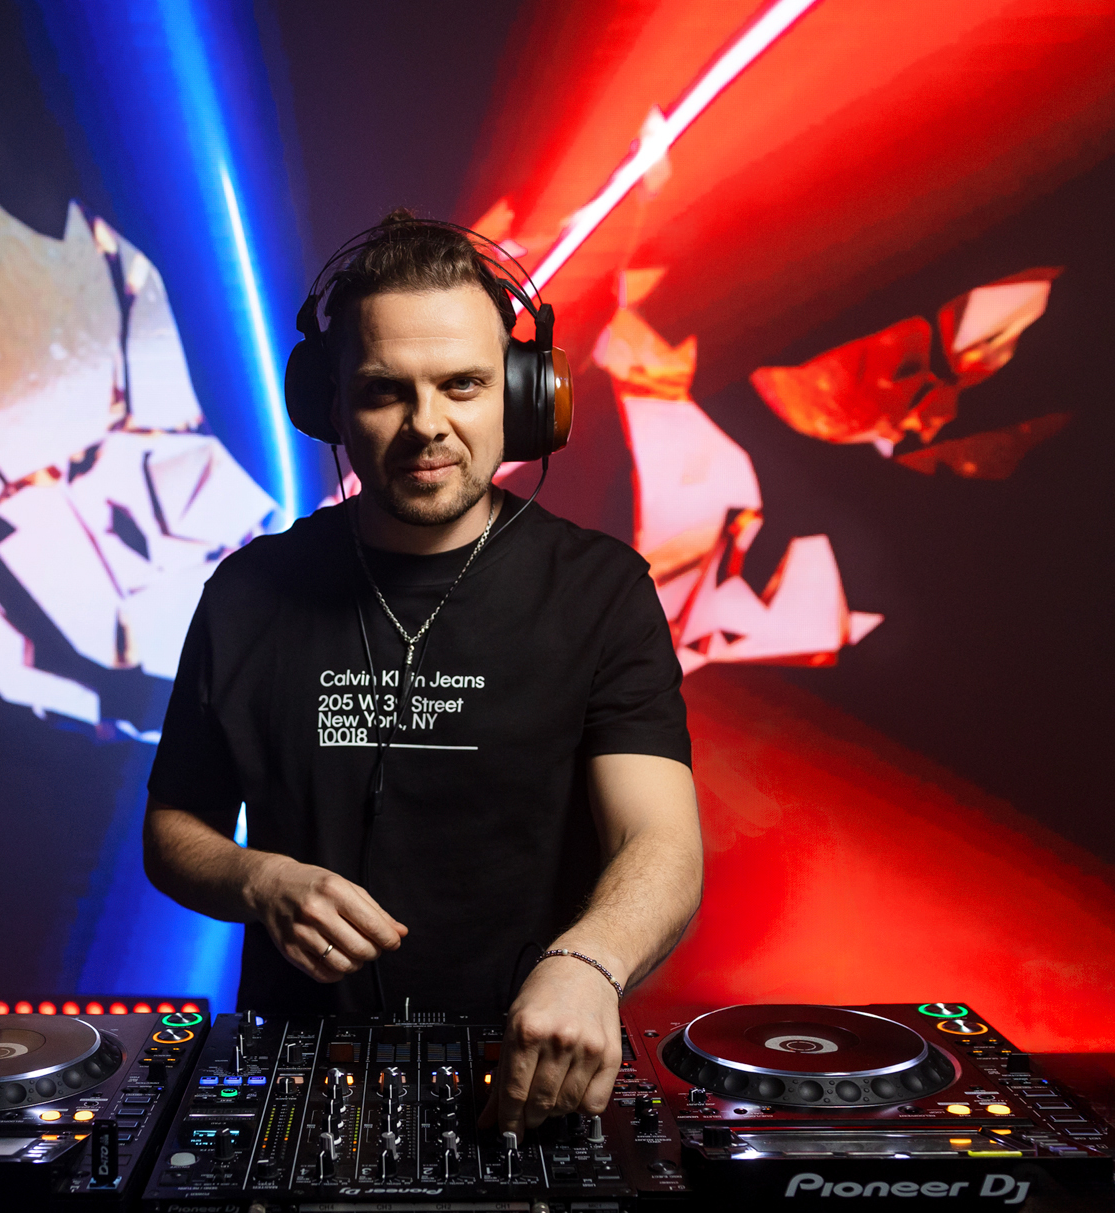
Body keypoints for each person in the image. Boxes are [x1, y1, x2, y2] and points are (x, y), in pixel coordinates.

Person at [143, 212, 702, 1134]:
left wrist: (589, 964)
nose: (427, 425)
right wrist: (257, 880)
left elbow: (662, 842)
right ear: (328, 405)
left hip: (528, 1083)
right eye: (383, 391)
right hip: (300, 1085)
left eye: (463, 384)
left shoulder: (601, 590)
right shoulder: (249, 591)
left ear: (522, 394)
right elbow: (174, 827)